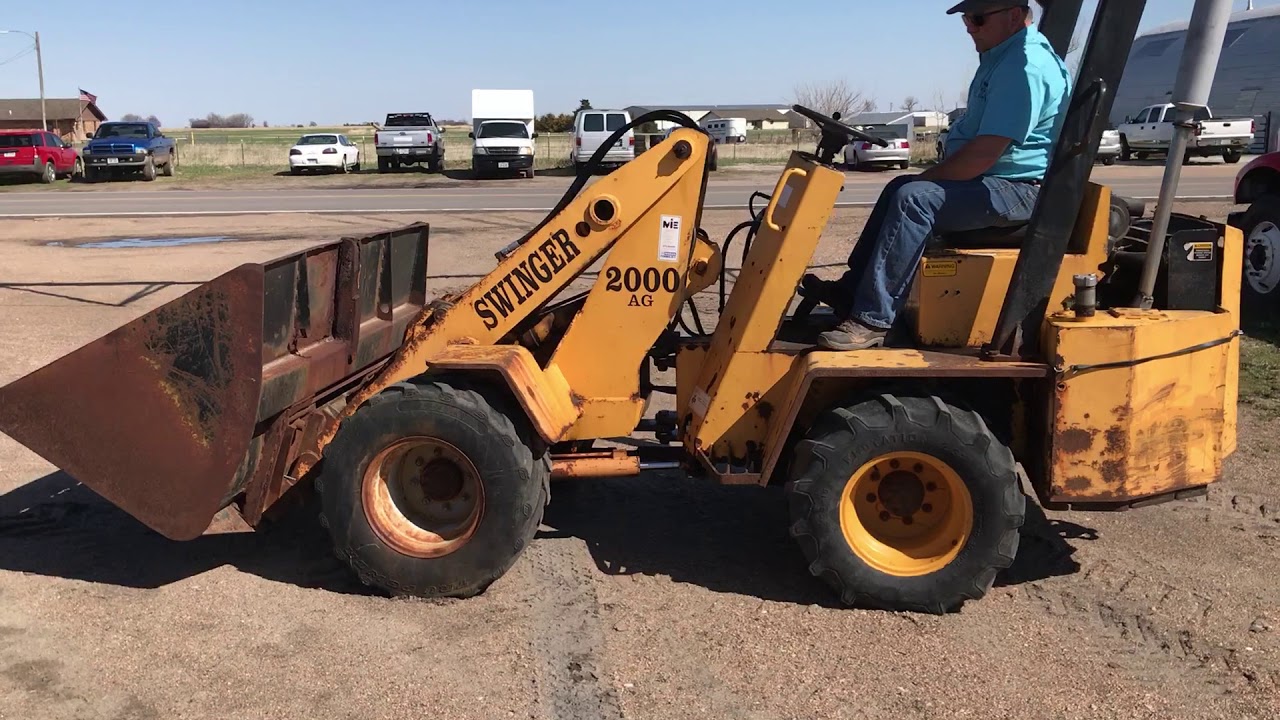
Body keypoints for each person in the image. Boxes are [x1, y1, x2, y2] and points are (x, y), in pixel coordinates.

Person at [811, 0, 1071, 351]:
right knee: (901, 186)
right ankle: (852, 291)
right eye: (966, 18)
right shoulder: (1002, 55)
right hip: (998, 182)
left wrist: (931, 176)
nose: (969, 27)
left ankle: (872, 320)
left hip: (1020, 190)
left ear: (1013, 16)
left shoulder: (1024, 66)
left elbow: (984, 154)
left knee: (915, 199)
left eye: (977, 19)